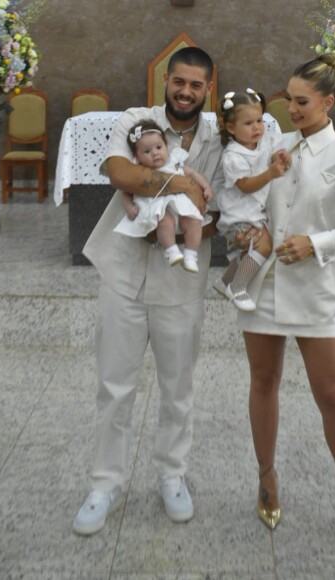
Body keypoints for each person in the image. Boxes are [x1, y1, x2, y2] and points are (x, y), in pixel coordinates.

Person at [237, 53, 335, 548]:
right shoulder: (277, 148)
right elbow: (248, 196)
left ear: (329, 101)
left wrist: (316, 244)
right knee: (263, 380)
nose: (292, 108)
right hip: (266, 284)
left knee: (331, 394)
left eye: (301, 101)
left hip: (320, 290)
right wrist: (252, 231)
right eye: (288, 99)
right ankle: (266, 477)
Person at [73, 46, 223, 536]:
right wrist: (180, 181)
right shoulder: (137, 121)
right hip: (122, 271)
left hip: (180, 279)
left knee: (177, 386)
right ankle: (105, 482)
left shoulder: (220, 137)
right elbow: (118, 172)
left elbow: (214, 209)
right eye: (179, 82)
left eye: (196, 85)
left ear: (208, 88)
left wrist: (164, 191)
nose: (185, 92)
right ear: (166, 81)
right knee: (114, 384)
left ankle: (172, 474)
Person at [213, 88, 290, 311]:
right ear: (230, 128)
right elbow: (245, 186)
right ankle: (237, 288)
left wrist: (279, 156)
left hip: (255, 210)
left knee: (250, 251)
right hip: (239, 213)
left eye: (259, 120)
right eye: (248, 123)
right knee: (263, 245)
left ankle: (224, 281)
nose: (257, 127)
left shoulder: (264, 140)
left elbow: (274, 150)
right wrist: (270, 174)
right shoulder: (233, 156)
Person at [114, 119, 214, 273]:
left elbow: (192, 174)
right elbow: (126, 191)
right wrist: (129, 207)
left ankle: (191, 255)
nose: (154, 153)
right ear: (137, 155)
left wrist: (206, 187)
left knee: (194, 221)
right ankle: (171, 251)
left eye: (159, 147)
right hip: (157, 206)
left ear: (166, 146)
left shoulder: (174, 162)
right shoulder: (138, 170)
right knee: (164, 220)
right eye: (147, 151)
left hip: (182, 206)